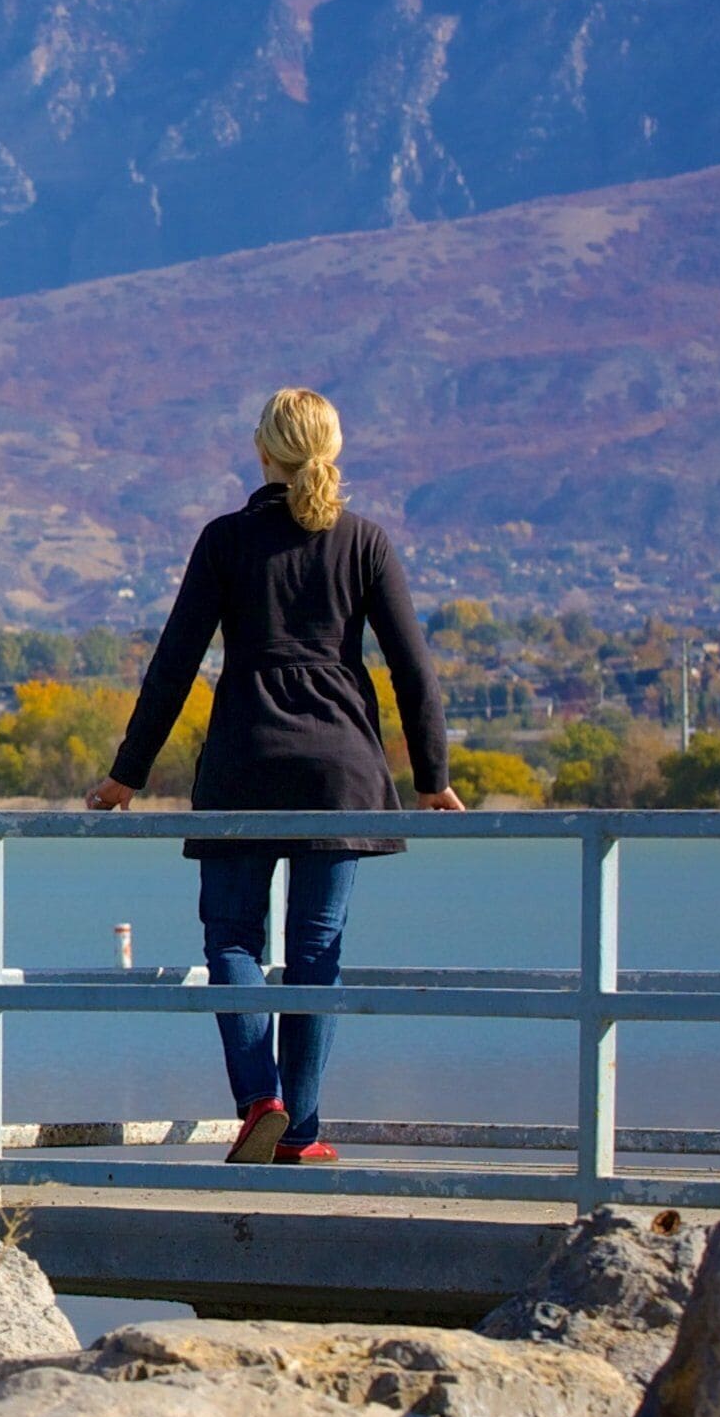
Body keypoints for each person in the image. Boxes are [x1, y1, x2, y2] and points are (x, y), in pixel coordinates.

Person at [86, 387, 459, 1167]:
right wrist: (433, 777)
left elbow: (174, 666)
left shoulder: (225, 541)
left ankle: (261, 1095)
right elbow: (413, 671)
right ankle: (302, 1134)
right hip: (340, 768)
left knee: (232, 937)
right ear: (333, 450)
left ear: (262, 452)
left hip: (246, 760)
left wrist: (128, 775)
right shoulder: (365, 541)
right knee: (317, 949)